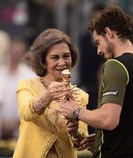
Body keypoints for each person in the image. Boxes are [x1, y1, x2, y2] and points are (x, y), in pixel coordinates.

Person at [59, 5, 133, 158]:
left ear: (108, 33)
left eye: (97, 42)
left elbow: (108, 120)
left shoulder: (115, 65)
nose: (98, 51)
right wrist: (101, 137)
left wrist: (76, 111)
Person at [13, 29, 94, 158]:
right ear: (43, 61)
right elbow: (26, 113)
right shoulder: (27, 85)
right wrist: (48, 95)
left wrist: (75, 133)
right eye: (55, 57)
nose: (62, 63)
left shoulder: (80, 96)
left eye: (66, 56)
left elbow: (81, 144)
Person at [0, 37, 36, 140]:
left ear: (23, 54)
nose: (14, 55)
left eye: (18, 52)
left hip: (21, 130)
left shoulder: (30, 76)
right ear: (8, 51)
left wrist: (16, 125)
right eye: (13, 51)